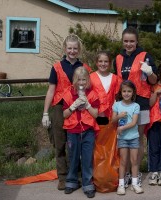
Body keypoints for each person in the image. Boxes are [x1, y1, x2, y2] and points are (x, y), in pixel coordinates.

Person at [41, 34, 92, 190]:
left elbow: (91, 87)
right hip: (59, 107)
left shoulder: (84, 67)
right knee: (60, 143)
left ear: (79, 49)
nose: (72, 51)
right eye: (69, 48)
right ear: (65, 49)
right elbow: (51, 90)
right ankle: (62, 177)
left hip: (78, 108)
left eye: (75, 48)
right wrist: (45, 113)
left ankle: (75, 175)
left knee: (76, 144)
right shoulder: (56, 67)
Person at [113, 26, 158, 187]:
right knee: (124, 138)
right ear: (122, 41)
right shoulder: (118, 58)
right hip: (123, 104)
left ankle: (135, 173)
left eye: (132, 41)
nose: (129, 44)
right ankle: (124, 174)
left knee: (137, 139)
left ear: (137, 41)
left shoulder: (145, 56)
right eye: (126, 41)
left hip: (141, 102)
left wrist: (150, 71)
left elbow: (153, 81)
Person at [62, 66, 99, 198]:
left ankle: (87, 183)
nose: (81, 82)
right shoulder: (68, 94)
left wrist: (88, 105)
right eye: (79, 80)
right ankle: (71, 181)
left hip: (88, 130)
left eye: (84, 79)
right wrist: (73, 106)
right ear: (74, 80)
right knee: (73, 157)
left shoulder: (93, 94)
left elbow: (95, 114)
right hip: (73, 130)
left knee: (87, 158)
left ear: (88, 80)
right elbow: (64, 115)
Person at [90, 51, 120, 192]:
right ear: (96, 62)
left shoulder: (115, 78)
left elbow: (119, 97)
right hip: (96, 118)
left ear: (110, 63)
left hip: (111, 119)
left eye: (106, 61)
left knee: (111, 150)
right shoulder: (91, 78)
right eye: (100, 61)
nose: (103, 64)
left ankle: (111, 177)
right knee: (97, 150)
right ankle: (97, 178)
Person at [112, 80, 144, 195]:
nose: (126, 93)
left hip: (133, 137)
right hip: (122, 138)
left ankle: (135, 183)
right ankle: (121, 185)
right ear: (121, 92)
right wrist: (119, 116)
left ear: (133, 92)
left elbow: (134, 123)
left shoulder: (136, 106)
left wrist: (122, 128)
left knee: (134, 161)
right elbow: (113, 120)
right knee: (123, 161)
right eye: (124, 91)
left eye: (129, 91)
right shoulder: (117, 105)